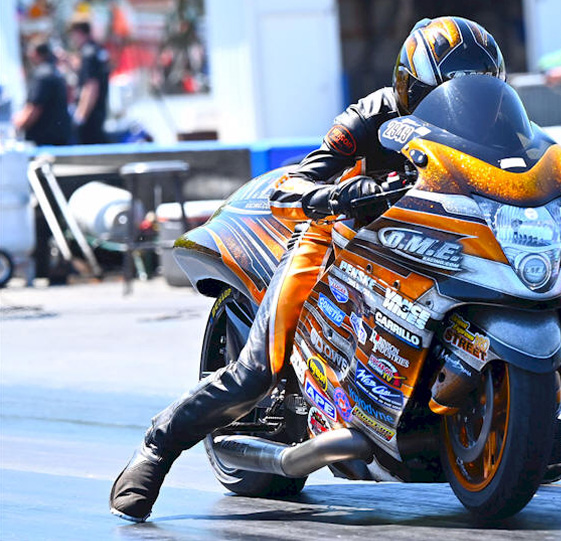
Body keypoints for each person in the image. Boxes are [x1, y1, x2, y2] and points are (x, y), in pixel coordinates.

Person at [108, 16, 511, 523]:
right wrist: (340, 192)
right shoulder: (370, 115)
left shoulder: (498, 125)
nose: (472, 102)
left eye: (483, 90)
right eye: (453, 90)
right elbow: (296, 183)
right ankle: (156, 449)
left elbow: (529, 166)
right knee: (259, 368)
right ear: (412, 86)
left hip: (435, 243)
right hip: (340, 238)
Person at [13, 40, 71, 146]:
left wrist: (17, 126)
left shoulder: (42, 75)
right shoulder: (55, 71)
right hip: (59, 136)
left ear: (35, 53)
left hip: (45, 141)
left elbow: (34, 108)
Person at [68, 20, 109, 144]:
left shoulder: (88, 54)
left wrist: (80, 117)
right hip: (98, 112)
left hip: (90, 116)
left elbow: (91, 87)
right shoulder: (95, 50)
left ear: (78, 32)